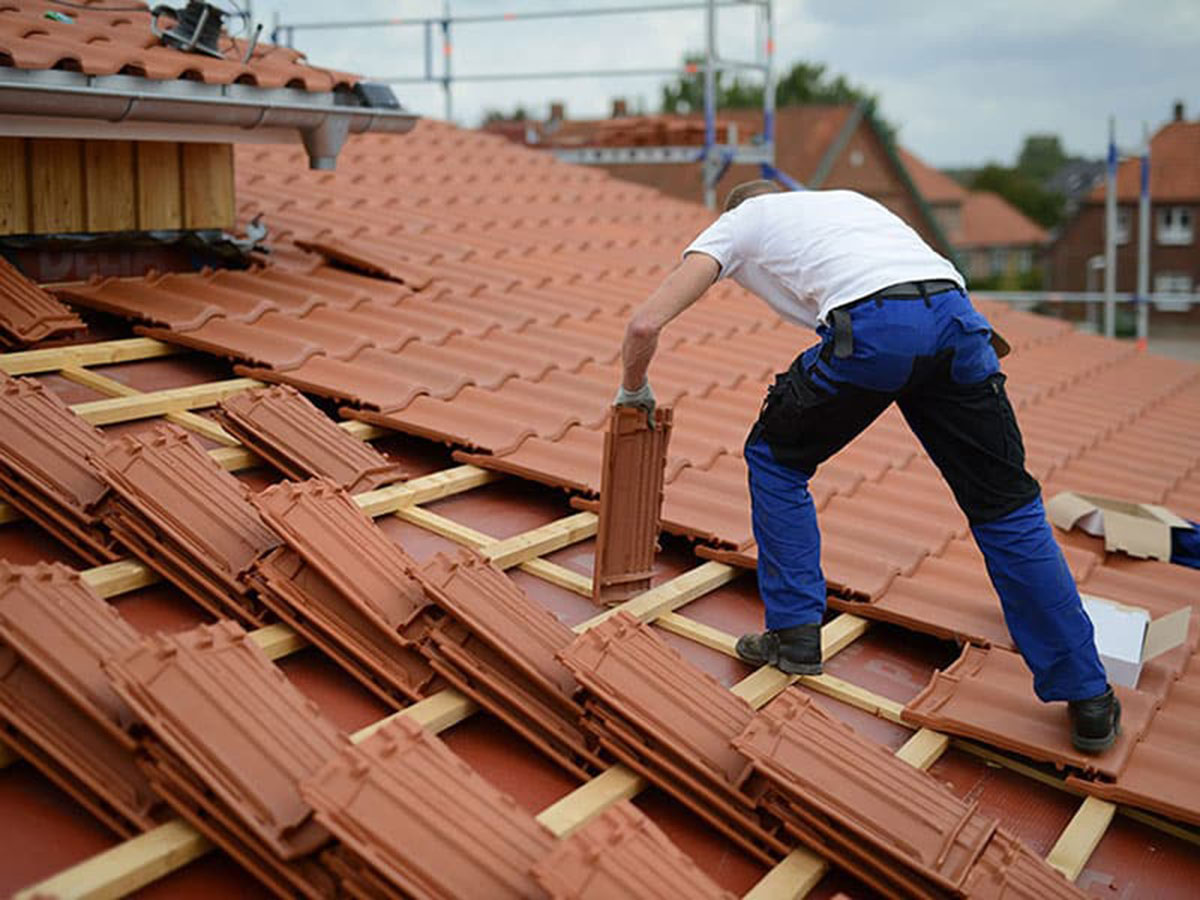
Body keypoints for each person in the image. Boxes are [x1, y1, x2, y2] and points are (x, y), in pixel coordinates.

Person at [616, 180, 1120, 753]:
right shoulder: (849, 206)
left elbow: (644, 325)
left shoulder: (741, 222)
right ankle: (1091, 699)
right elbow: (919, 288)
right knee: (1007, 508)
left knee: (775, 458)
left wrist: (633, 390)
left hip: (879, 330)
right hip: (959, 321)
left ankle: (794, 635)